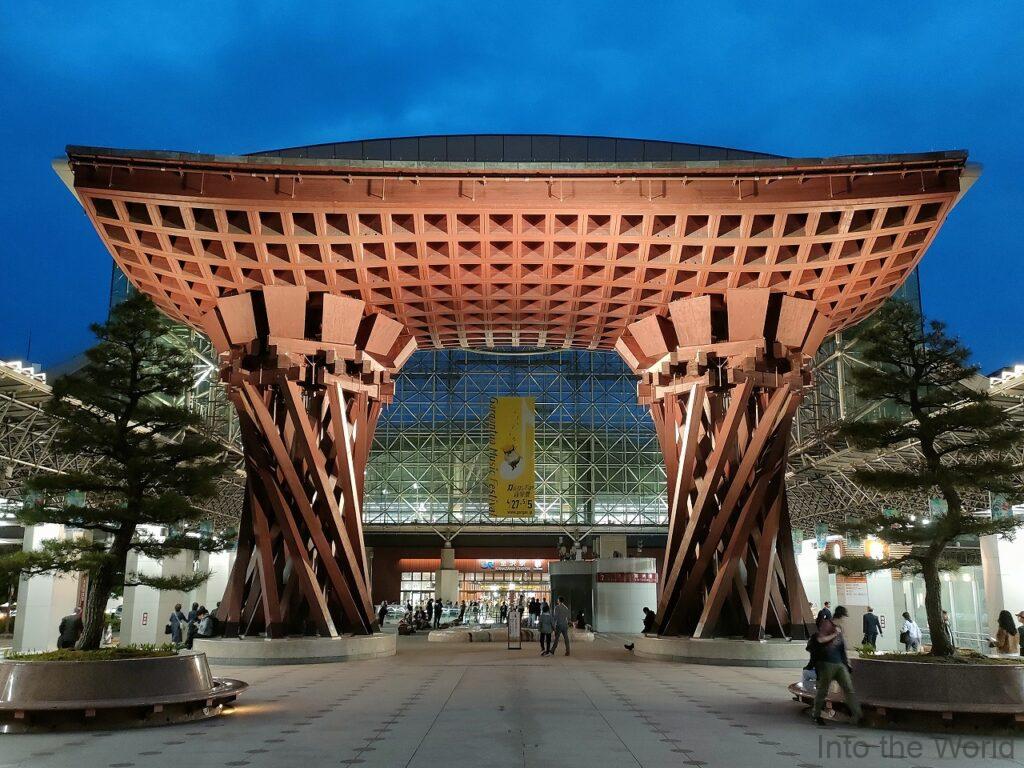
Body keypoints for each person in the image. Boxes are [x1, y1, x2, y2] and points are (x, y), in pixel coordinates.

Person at [811, 605, 862, 726]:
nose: (845, 620)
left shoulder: (839, 628)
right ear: (840, 616)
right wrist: (834, 634)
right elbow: (820, 640)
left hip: (839, 664)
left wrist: (847, 663)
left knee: (848, 688)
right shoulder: (827, 624)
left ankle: (857, 715)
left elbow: (841, 648)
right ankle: (816, 714)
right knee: (823, 690)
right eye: (844, 617)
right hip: (827, 663)